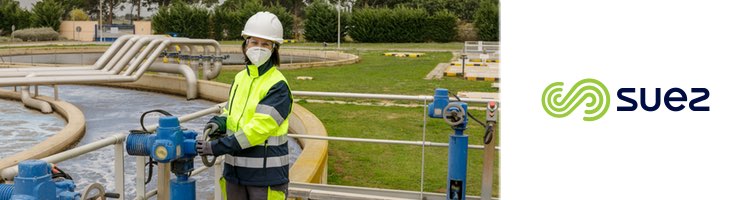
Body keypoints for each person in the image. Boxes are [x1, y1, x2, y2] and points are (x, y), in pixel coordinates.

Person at [196, 11, 292, 200]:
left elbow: (257, 130)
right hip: (234, 173)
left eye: (265, 44)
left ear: (274, 49)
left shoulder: (277, 85)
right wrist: (219, 122)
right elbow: (232, 113)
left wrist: (216, 147)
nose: (258, 48)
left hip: (265, 177)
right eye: (254, 42)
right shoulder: (240, 78)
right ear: (245, 44)